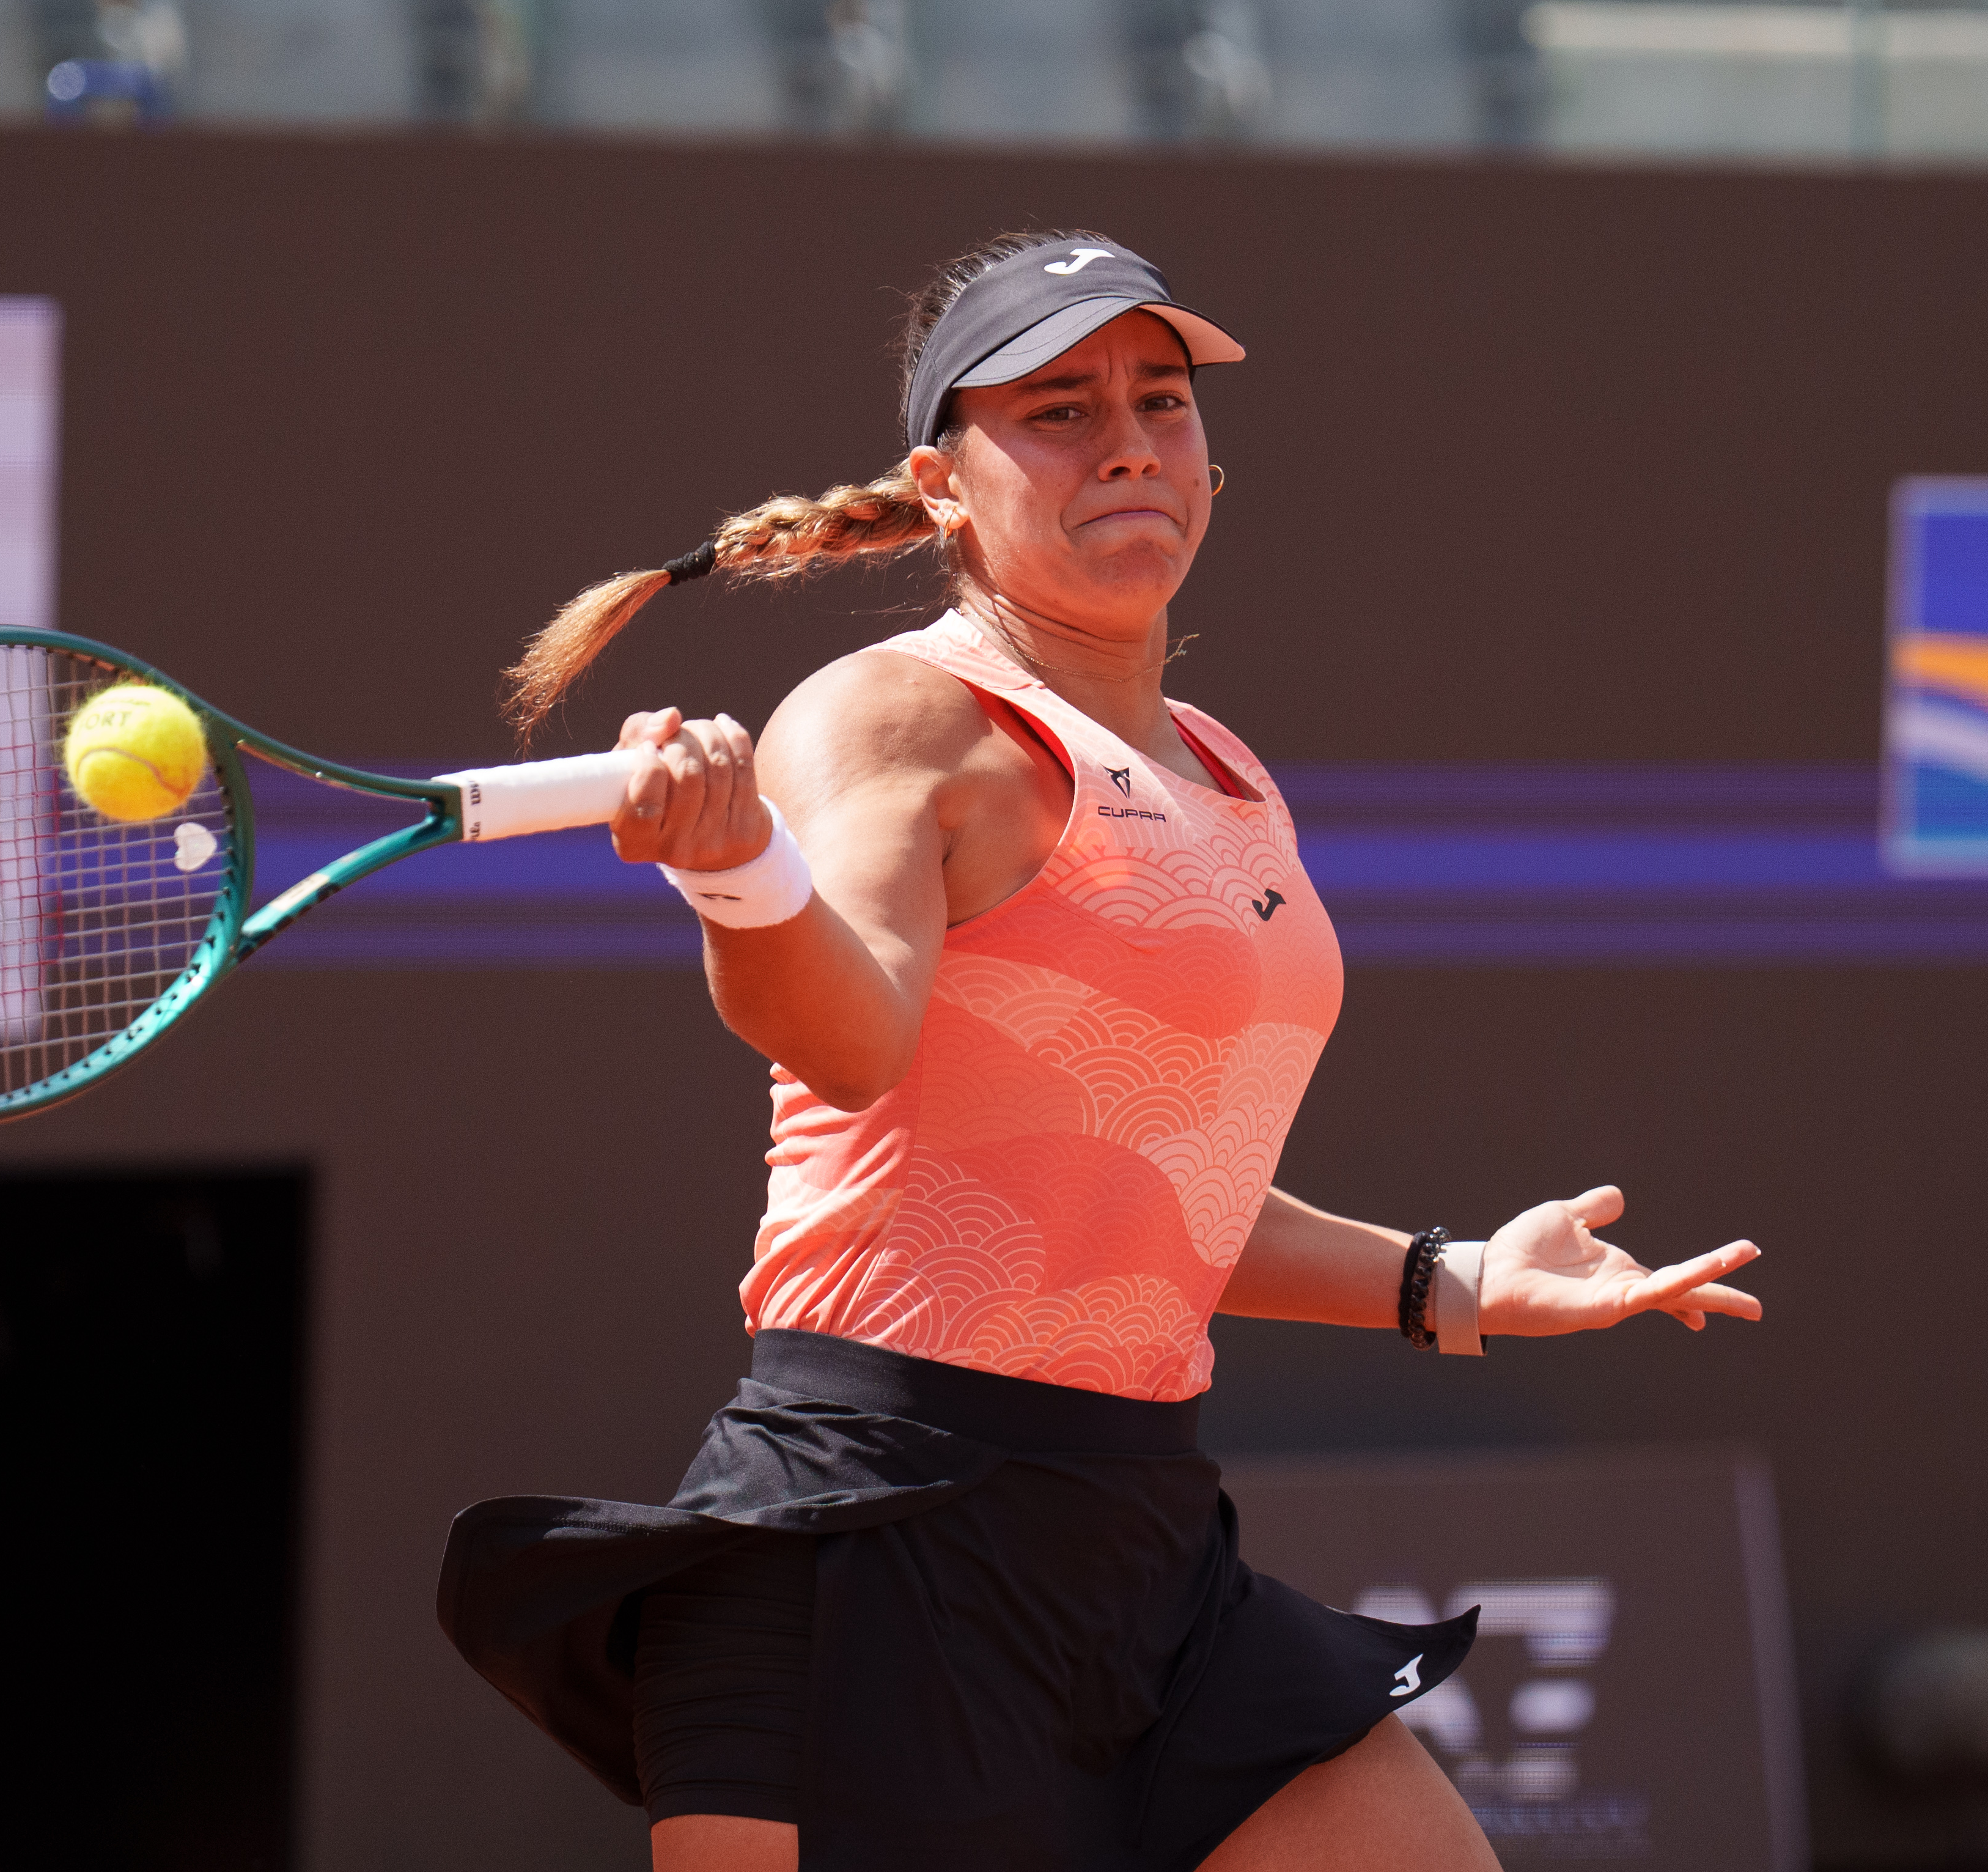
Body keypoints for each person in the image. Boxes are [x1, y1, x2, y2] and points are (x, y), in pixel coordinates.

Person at [437, 230, 1764, 1872]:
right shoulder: (891, 717)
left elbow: (1143, 1194)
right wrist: (737, 877)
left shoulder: (1222, 768)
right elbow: (847, 1040)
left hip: (1145, 1551)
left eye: (1161, 401)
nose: (1128, 441)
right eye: (1059, 411)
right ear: (941, 486)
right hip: (871, 1534)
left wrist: (1455, 1281)